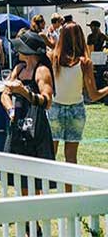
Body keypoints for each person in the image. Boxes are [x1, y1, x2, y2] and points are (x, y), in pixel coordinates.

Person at [1, 31, 55, 192]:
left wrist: (24, 92)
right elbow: (5, 94)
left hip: (35, 128)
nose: (17, 51)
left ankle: (34, 216)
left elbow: (47, 101)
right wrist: (11, 110)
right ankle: (26, 216)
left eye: (20, 48)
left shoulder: (42, 70)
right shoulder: (19, 68)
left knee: (35, 179)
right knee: (19, 177)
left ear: (29, 52)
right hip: (17, 126)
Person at [49, 23, 108, 168]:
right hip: (76, 109)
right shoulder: (85, 63)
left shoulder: (53, 58)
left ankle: (45, 190)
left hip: (55, 108)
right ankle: (70, 191)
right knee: (71, 158)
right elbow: (93, 95)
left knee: (51, 155)